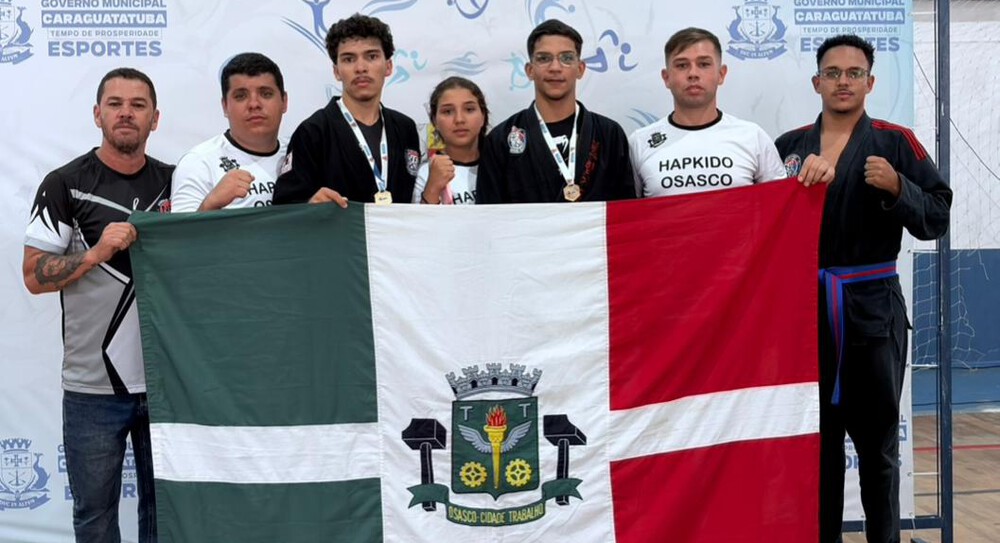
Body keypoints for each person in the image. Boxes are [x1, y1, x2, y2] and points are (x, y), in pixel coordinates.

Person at [775, 35, 952, 543]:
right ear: (817, 82)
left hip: (872, 312)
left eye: (854, 73)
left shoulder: (895, 143)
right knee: (819, 446)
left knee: (877, 448)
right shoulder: (788, 147)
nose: (843, 81)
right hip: (806, 314)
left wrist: (899, 187)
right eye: (833, 72)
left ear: (870, 83)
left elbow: (937, 215)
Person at [22, 67, 172, 543]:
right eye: (115, 103)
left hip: (168, 385)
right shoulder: (64, 184)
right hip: (92, 389)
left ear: (155, 119)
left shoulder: (176, 183)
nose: (126, 113)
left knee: (166, 514)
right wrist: (94, 253)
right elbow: (33, 276)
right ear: (97, 114)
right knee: (94, 517)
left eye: (138, 105)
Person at [629, 27, 830, 198]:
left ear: (721, 74)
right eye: (682, 65)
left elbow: (781, 206)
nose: (693, 73)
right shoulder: (640, 142)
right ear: (666, 78)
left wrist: (815, 183)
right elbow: (626, 217)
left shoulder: (752, 137)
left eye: (704, 64)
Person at [476, 19, 634, 203]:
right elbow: (489, 215)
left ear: (580, 69)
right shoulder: (501, 140)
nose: (555, 68)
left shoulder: (609, 134)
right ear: (530, 70)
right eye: (544, 58)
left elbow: (628, 212)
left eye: (566, 58)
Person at [273, 13, 420, 207]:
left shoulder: (405, 128)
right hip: (337, 228)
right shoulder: (313, 132)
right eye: (349, 59)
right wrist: (309, 203)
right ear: (336, 71)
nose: (361, 67)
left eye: (372, 56)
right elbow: (285, 204)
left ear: (388, 66)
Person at [171, 52, 289, 212]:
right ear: (225, 106)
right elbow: (181, 228)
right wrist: (211, 204)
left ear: (284, 102)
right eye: (241, 96)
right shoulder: (199, 162)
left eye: (266, 94)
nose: (254, 104)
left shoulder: (301, 153)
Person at [414, 76, 489, 205]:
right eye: (448, 111)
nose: (459, 119)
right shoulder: (426, 173)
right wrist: (433, 188)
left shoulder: (500, 165)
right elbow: (418, 218)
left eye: (469, 109)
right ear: (434, 121)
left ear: (483, 116)